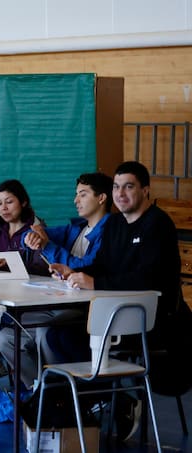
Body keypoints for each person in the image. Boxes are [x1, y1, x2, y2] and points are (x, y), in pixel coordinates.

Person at [58, 161, 192, 439]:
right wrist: (76, 272)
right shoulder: (116, 223)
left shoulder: (158, 224)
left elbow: (146, 279)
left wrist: (95, 283)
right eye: (117, 187)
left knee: (70, 337)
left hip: (154, 324)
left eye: (128, 187)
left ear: (145, 190)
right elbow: (104, 265)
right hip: (115, 316)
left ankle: (114, 403)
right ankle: (105, 403)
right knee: (56, 334)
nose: (120, 193)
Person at [0, 172, 114, 390]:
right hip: (61, 302)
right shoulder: (76, 227)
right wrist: (34, 235)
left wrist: (47, 246)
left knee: (43, 331)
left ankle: (70, 394)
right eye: (76, 194)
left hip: (86, 308)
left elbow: (85, 266)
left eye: (83, 194)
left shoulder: (111, 231)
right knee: (6, 337)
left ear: (101, 198)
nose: (75, 200)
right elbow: (33, 235)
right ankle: (41, 392)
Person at [0, 179, 48, 276]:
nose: (4, 208)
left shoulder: (36, 230)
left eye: (9, 202)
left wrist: (12, 263)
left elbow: (42, 269)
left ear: (23, 202)